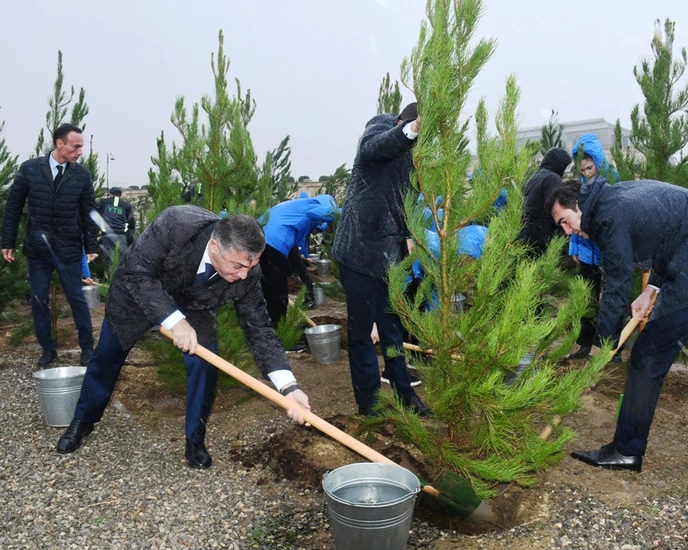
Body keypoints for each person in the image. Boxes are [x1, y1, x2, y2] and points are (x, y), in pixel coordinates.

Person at [55, 206, 311, 469]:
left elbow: (259, 328)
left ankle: (195, 440)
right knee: (107, 356)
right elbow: (137, 271)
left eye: (251, 266)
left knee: (204, 363)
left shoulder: (248, 274)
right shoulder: (177, 224)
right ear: (215, 245)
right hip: (138, 292)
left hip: (193, 304)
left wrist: (289, 387)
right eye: (238, 266)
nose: (244, 275)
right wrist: (174, 320)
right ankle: (84, 419)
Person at [547, 178, 688, 474]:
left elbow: (616, 288)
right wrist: (650, 290)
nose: (567, 231)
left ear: (578, 206)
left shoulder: (606, 215)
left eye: (565, 222)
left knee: (647, 356)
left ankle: (626, 451)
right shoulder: (614, 199)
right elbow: (671, 234)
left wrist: (599, 351)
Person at [331, 102, 432, 417]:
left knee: (392, 333)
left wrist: (409, 235)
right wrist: (414, 129)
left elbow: (405, 201)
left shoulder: (416, 155)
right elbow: (375, 148)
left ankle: (405, 395)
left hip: (390, 260)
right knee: (362, 335)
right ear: (401, 122)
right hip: (359, 253)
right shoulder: (379, 129)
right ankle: (369, 404)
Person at [1, 123, 100, 368]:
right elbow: (13, 207)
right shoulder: (30, 170)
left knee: (77, 299)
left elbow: (89, 213)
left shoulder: (82, 175)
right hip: (38, 250)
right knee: (38, 300)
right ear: (59, 143)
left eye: (81, 147)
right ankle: (48, 348)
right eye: (75, 146)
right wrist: (7, 241)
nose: (80, 152)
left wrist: (91, 246)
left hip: (68, 250)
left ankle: (87, 347)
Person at [567, 134, 615, 360]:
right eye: (583, 170)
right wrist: (574, 248)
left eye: (590, 168)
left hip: (608, 252)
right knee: (585, 298)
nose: (587, 173)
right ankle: (585, 343)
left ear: (598, 161)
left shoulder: (613, 180)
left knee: (610, 300)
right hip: (587, 253)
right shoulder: (582, 186)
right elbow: (574, 221)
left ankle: (610, 346)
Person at [259, 194, 337, 326]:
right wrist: (346, 211)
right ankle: (277, 332)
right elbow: (329, 213)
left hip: (258, 241)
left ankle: (265, 328)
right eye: (319, 223)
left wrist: (300, 258)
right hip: (274, 245)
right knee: (278, 293)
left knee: (265, 291)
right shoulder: (311, 205)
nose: (319, 224)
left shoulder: (292, 207)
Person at [517, 147, 572, 257]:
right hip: (543, 237)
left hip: (527, 235)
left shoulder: (533, 177)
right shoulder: (552, 179)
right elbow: (558, 208)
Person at [95, 187, 135, 278]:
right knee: (122, 261)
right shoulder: (127, 206)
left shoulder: (103, 203)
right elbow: (131, 224)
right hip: (121, 236)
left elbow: (95, 217)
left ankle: (111, 280)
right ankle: (121, 280)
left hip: (107, 236)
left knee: (109, 261)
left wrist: (95, 235)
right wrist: (130, 238)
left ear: (110, 194)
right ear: (120, 196)